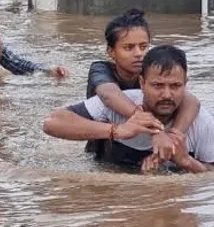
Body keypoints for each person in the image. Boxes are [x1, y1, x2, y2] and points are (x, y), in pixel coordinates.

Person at [43, 45, 214, 174]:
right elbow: (52, 122)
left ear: (185, 85)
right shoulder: (120, 104)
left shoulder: (201, 122)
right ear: (142, 83)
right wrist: (117, 131)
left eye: (175, 86)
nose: (166, 95)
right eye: (157, 86)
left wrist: (187, 162)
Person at [85, 9, 202, 164]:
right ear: (111, 52)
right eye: (129, 47)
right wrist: (151, 125)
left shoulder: (152, 71)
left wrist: (174, 136)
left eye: (143, 46)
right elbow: (108, 94)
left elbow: (191, 100)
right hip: (105, 145)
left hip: (144, 143)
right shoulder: (101, 70)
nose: (138, 53)